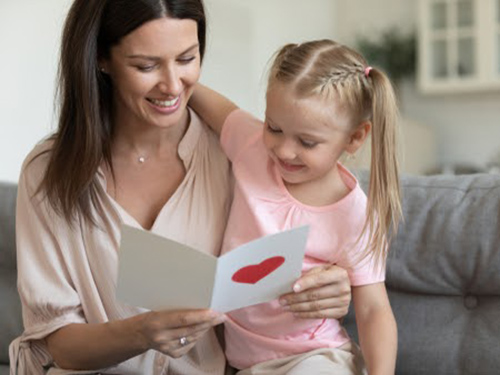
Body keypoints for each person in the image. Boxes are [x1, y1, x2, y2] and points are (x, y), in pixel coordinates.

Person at [9, 1, 353, 374]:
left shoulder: (239, 155)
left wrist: (332, 286)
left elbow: (319, 227)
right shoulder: (47, 173)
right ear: (100, 59)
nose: (173, 85)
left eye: (187, 59)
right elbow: (59, 344)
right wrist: (140, 333)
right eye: (146, 66)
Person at [189, 39, 402, 375]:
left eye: (307, 142)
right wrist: (178, 81)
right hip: (245, 362)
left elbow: (374, 310)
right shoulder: (252, 145)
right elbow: (216, 106)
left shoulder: (354, 214)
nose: (284, 151)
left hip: (316, 357)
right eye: (274, 128)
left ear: (355, 138)